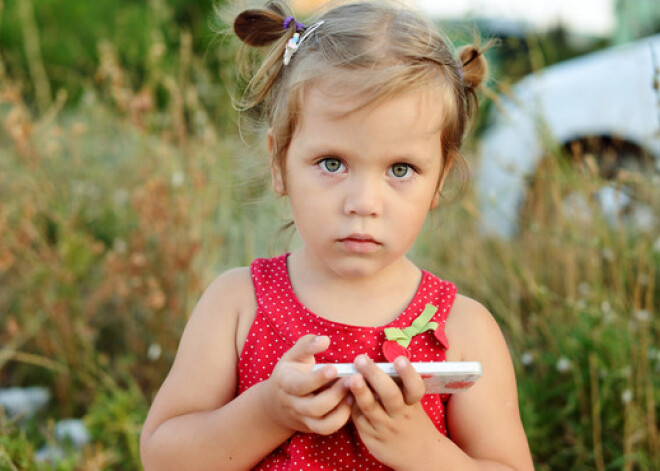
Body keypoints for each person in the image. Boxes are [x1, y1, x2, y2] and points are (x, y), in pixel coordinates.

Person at [140, 1, 534, 469]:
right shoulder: (237, 305)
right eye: (332, 163)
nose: (363, 202)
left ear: (440, 180)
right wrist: (268, 412)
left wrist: (424, 452)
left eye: (401, 169)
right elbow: (163, 457)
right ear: (278, 162)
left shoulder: (463, 330)